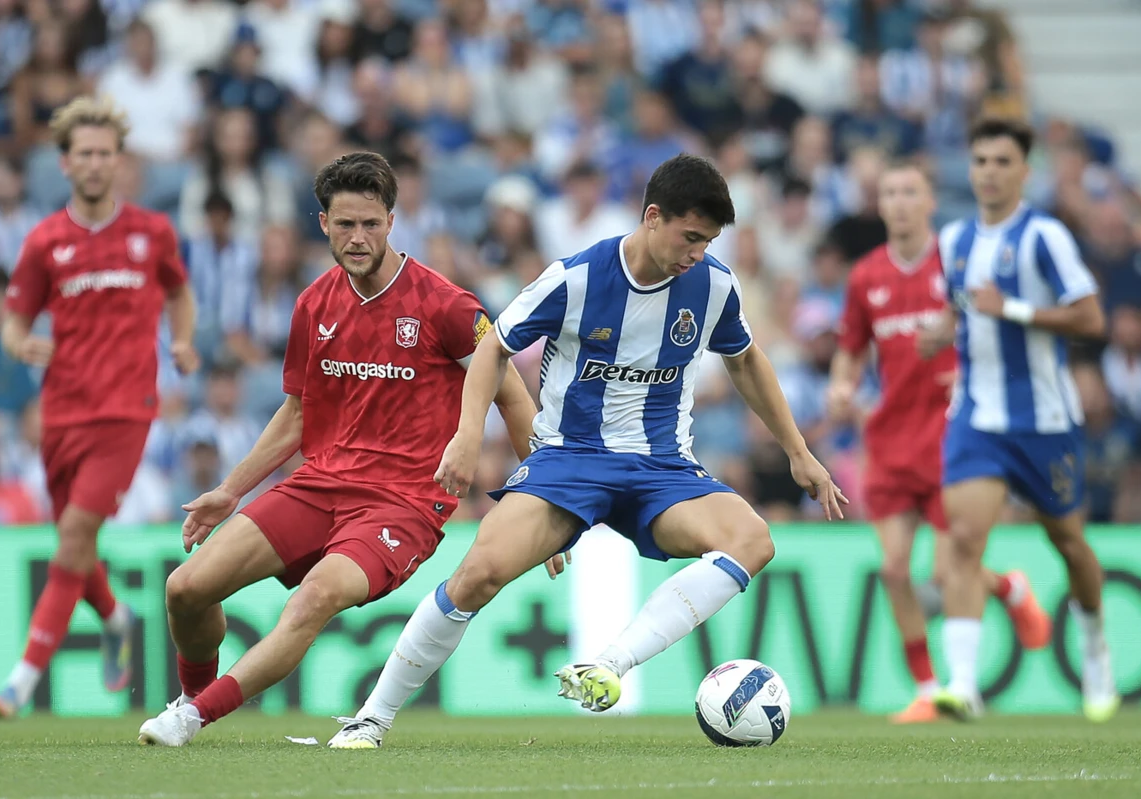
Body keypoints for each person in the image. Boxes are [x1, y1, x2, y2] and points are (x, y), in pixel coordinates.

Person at [327, 153, 848, 750]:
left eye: (706, 242)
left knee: (753, 540)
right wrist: (468, 434)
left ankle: (610, 665)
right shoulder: (576, 277)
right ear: (653, 217)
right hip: (569, 462)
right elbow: (494, 346)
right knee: (477, 575)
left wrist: (798, 450)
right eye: (690, 237)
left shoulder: (712, 286)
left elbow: (746, 360)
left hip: (662, 468)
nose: (696, 254)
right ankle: (372, 717)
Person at [135, 151, 538, 746]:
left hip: (402, 505)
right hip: (321, 483)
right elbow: (297, 413)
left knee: (313, 598)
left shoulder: (446, 306)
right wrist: (230, 490)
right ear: (321, 223)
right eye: (345, 224)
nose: (358, 238)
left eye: (371, 224)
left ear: (392, 221)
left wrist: (536, 498)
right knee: (186, 590)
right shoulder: (314, 304)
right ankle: (194, 698)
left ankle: (191, 719)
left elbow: (513, 397)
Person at [0, 96, 199, 719]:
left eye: (107, 153)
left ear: (119, 160)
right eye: (86, 154)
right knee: (72, 541)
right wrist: (24, 342)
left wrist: (182, 341)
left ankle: (20, 680)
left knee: (76, 533)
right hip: (63, 411)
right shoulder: (47, 241)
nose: (98, 164)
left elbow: (180, 294)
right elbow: (15, 322)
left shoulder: (151, 232)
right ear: (66, 163)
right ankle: (115, 617)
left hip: (126, 412)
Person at [827, 159, 1051, 724]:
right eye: (890, 193)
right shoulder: (865, 278)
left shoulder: (956, 264)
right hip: (891, 440)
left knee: (948, 574)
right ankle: (929, 689)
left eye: (910, 192)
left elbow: (1002, 325)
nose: (899, 202)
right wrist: (841, 382)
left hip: (956, 438)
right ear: (879, 206)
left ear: (931, 202)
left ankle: (1004, 591)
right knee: (896, 571)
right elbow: (851, 346)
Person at [917, 118, 1116, 722]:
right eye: (980, 161)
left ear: (1024, 171)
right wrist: (941, 331)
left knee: (1070, 543)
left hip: (1046, 422)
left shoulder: (1045, 237)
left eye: (1002, 161)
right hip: (977, 417)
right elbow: (962, 310)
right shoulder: (952, 240)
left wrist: (1017, 310)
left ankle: (1095, 646)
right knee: (963, 542)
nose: (989, 172)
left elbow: (1091, 320)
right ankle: (964, 683)